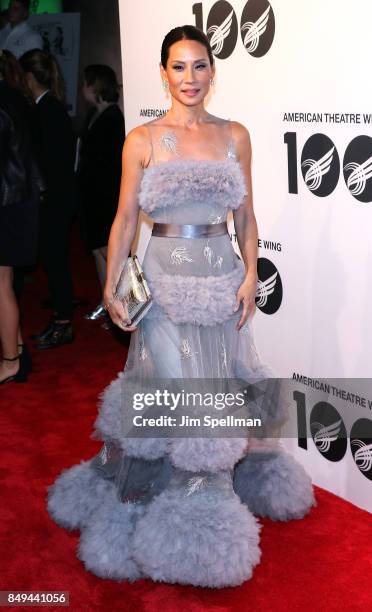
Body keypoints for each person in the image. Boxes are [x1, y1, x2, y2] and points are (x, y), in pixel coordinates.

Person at [47, 26, 315, 587]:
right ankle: (160, 501)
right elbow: (123, 220)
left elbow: (246, 216)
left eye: (199, 66)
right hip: (164, 279)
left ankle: (205, 505)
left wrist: (249, 272)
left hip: (220, 277)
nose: (189, 78)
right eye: (178, 67)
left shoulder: (235, 135)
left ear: (212, 72)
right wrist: (112, 283)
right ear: (163, 72)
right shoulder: (142, 139)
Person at [20, 49, 77, 349]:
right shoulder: (49, 108)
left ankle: (63, 323)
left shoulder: (48, 110)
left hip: (55, 199)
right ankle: (61, 319)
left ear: (29, 77)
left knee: (56, 261)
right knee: (54, 261)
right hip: (57, 197)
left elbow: (52, 162)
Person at [0, 49, 40, 384]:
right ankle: (16, 351)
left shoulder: (3, 102)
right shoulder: (17, 98)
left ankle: (10, 360)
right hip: (18, 201)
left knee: (1, 285)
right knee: (5, 283)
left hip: (8, 204)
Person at [78, 64, 125, 323]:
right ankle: (107, 303)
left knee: (110, 251)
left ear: (96, 86)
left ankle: (126, 304)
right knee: (97, 250)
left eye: (86, 82)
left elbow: (113, 165)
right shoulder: (92, 115)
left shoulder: (114, 118)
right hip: (91, 195)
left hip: (107, 196)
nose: (82, 88)